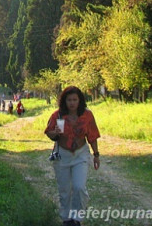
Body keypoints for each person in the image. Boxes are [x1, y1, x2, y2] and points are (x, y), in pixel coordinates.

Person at [44, 86, 100, 226]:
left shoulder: (87, 115)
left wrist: (96, 155)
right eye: (69, 100)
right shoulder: (57, 115)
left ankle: (77, 218)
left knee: (79, 187)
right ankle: (67, 219)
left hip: (81, 154)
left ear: (80, 100)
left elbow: (92, 136)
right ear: (64, 101)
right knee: (64, 190)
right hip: (62, 155)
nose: (72, 103)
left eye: (75, 99)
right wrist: (55, 132)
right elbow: (49, 132)